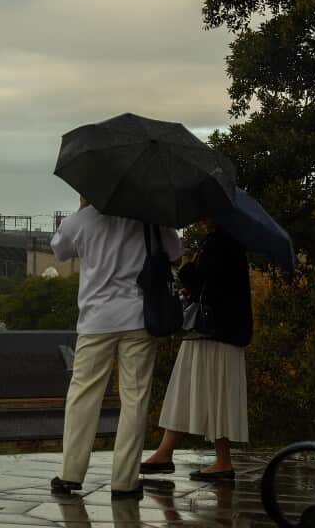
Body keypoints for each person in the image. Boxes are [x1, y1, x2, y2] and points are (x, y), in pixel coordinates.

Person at [49, 195, 183, 500]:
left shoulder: (83, 220)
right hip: (138, 317)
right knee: (134, 398)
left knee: (83, 395)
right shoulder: (151, 218)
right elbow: (176, 253)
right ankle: (125, 480)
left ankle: (70, 474)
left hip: (96, 320)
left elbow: (59, 249)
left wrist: (82, 209)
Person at [142, 222, 252, 482]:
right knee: (202, 392)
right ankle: (168, 452)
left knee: (204, 392)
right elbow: (216, 285)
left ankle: (217, 460)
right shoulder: (230, 241)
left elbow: (203, 278)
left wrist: (185, 267)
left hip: (214, 332)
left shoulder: (219, 243)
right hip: (220, 332)